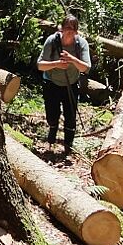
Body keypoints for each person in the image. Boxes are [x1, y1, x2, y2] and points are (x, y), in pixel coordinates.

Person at [36, 14, 91, 156]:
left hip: (71, 84)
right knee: (52, 115)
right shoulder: (52, 41)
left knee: (70, 117)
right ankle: (52, 137)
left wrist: (72, 59)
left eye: (73, 28)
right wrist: (57, 64)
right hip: (51, 83)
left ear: (77, 30)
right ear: (61, 28)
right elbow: (40, 65)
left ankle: (68, 147)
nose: (70, 31)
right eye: (67, 27)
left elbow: (86, 68)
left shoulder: (81, 44)